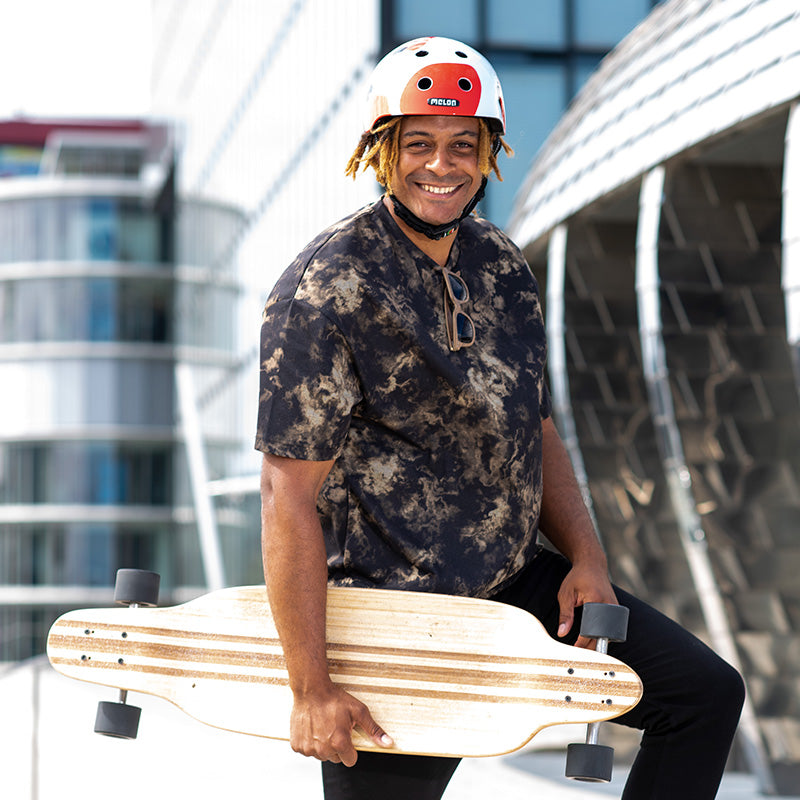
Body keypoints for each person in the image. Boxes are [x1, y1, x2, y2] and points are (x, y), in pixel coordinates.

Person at [255, 36, 744, 800]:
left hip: (517, 583)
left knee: (702, 696)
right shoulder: (328, 285)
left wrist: (587, 559)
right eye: (418, 143)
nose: (441, 164)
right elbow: (285, 494)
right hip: (400, 617)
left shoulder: (502, 265)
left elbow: (534, 427)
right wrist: (310, 689)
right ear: (382, 151)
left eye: (463, 144)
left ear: (488, 154)